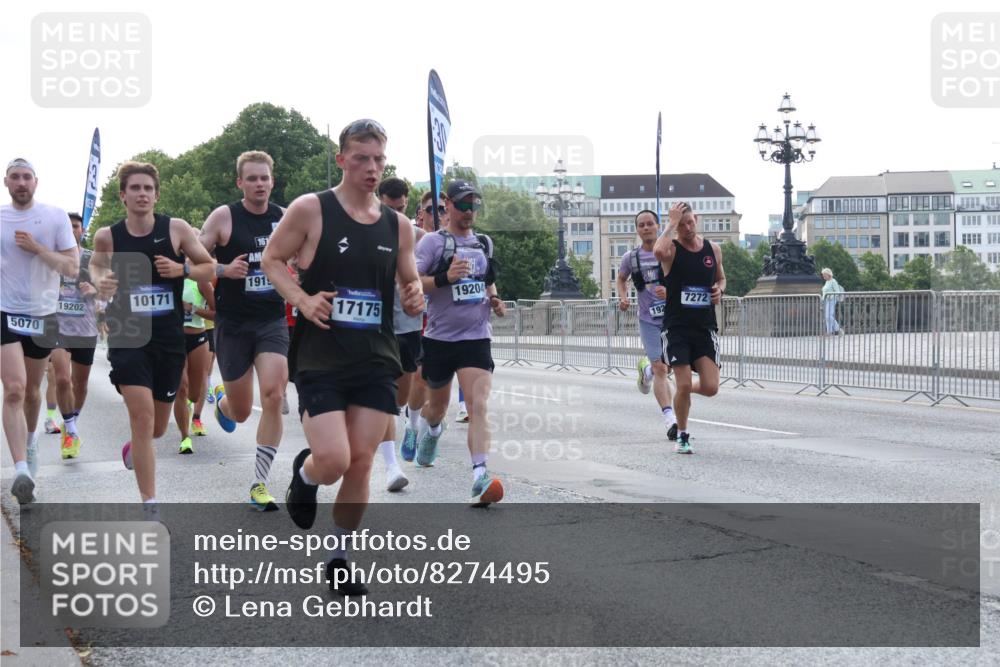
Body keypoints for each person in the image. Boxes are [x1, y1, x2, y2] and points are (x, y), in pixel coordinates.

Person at [262, 119, 423, 595]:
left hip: (376, 353)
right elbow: (272, 261)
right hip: (321, 355)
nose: (372, 168)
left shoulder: (400, 225)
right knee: (333, 459)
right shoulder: (311, 210)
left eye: (379, 159)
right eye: (361, 158)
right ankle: (307, 475)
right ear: (342, 160)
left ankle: (340, 558)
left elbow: (408, 280)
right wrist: (302, 300)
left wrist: (413, 296)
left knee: (361, 462)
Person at [90, 161, 215, 508]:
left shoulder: (175, 230)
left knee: (157, 428)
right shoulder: (108, 235)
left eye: (148, 188)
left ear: (157, 194)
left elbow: (208, 266)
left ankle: (136, 446)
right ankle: (150, 503)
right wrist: (102, 281)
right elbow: (97, 265)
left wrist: (183, 268)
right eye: (135, 188)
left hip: (168, 338)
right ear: (123, 195)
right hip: (128, 335)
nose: (142, 194)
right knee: (142, 418)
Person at [199, 151, 288, 511]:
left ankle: (259, 483)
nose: (259, 184)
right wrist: (221, 270)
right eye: (251, 178)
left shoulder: (284, 218)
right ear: (240, 183)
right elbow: (191, 263)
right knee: (239, 412)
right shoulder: (224, 217)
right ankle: (222, 401)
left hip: (271, 320)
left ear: (272, 180)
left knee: (273, 395)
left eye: (264, 178)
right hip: (233, 324)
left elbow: (306, 256)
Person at [414, 180, 505, 506]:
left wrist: (494, 300)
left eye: (473, 205)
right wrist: (444, 278)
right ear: (448, 206)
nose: (469, 211)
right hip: (439, 338)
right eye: (462, 205)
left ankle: (480, 475)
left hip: (476, 337)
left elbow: (487, 280)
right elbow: (413, 284)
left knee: (478, 405)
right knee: (436, 407)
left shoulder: (483, 243)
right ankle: (433, 431)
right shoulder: (432, 244)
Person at [1, 158, 79, 504]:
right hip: (5, 311)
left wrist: (38, 249)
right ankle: (19, 468)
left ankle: (31, 446)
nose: (21, 183)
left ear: (36, 182)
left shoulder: (55, 216)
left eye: (26, 177)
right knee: (14, 389)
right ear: (6, 182)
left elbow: (72, 267)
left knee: (33, 391)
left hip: (43, 314)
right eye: (15, 177)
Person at [653, 202, 726, 455]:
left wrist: (720, 290)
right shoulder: (672, 249)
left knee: (711, 387)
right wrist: (670, 224)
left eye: (689, 222)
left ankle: (679, 392)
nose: (686, 228)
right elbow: (657, 252)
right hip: (677, 328)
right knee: (684, 385)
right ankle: (682, 435)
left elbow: (721, 277)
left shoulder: (712, 249)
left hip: (704, 327)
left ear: (697, 219)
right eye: (681, 224)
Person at [376, 177, 426, 492]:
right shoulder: (362, 230)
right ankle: (391, 467)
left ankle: (409, 422)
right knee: (382, 398)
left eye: (400, 208)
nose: (395, 213)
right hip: (375, 325)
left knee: (400, 397)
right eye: (389, 208)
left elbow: (431, 269)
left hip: (408, 324)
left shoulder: (417, 235)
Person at [617, 210, 677, 441]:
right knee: (663, 369)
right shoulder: (631, 258)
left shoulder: (671, 250)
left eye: (649, 224)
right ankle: (669, 419)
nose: (645, 228)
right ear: (637, 229)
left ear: (657, 225)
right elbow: (621, 279)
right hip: (648, 321)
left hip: (673, 320)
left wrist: (670, 291)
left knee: (668, 367)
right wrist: (623, 297)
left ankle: (647, 371)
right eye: (641, 225)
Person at [49, 212, 100, 459]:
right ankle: (69, 428)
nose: (71, 230)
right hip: (58, 329)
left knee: (80, 384)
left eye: (76, 227)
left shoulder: (91, 258)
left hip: (86, 329)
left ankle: (72, 424)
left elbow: (110, 288)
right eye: (67, 227)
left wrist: (95, 289)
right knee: (61, 380)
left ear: (82, 230)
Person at [172, 278, 214, 452]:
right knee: (181, 388)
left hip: (198, 338)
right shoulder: (170, 280)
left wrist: (194, 309)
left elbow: (217, 313)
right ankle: (185, 437)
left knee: (194, 395)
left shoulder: (201, 282)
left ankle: (190, 407)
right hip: (175, 339)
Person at [821, 268, 845, 336]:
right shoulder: (827, 282)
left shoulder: (833, 281)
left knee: (829, 316)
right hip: (826, 300)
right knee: (827, 316)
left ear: (828, 274)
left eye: (824, 275)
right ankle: (830, 331)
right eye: (823, 275)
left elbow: (837, 292)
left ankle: (837, 330)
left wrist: (830, 296)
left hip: (831, 300)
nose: (823, 276)